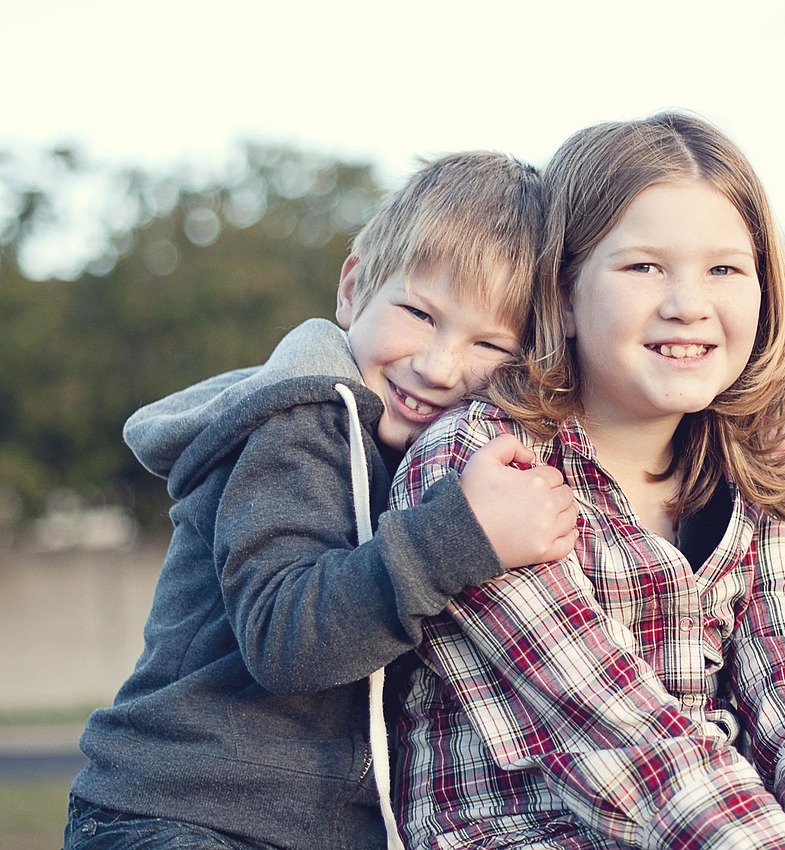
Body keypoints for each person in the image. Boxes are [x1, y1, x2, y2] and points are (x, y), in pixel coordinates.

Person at [386, 113, 785, 849]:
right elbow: (615, 727)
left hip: (719, 822)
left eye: (724, 269)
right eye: (643, 267)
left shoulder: (750, 463)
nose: (688, 303)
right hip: (529, 830)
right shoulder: (485, 467)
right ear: (561, 296)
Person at [64, 152, 579, 850]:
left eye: (490, 343)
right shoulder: (300, 422)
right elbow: (286, 640)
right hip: (181, 811)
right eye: (420, 314)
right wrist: (459, 538)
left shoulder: (424, 458)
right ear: (353, 286)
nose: (439, 365)